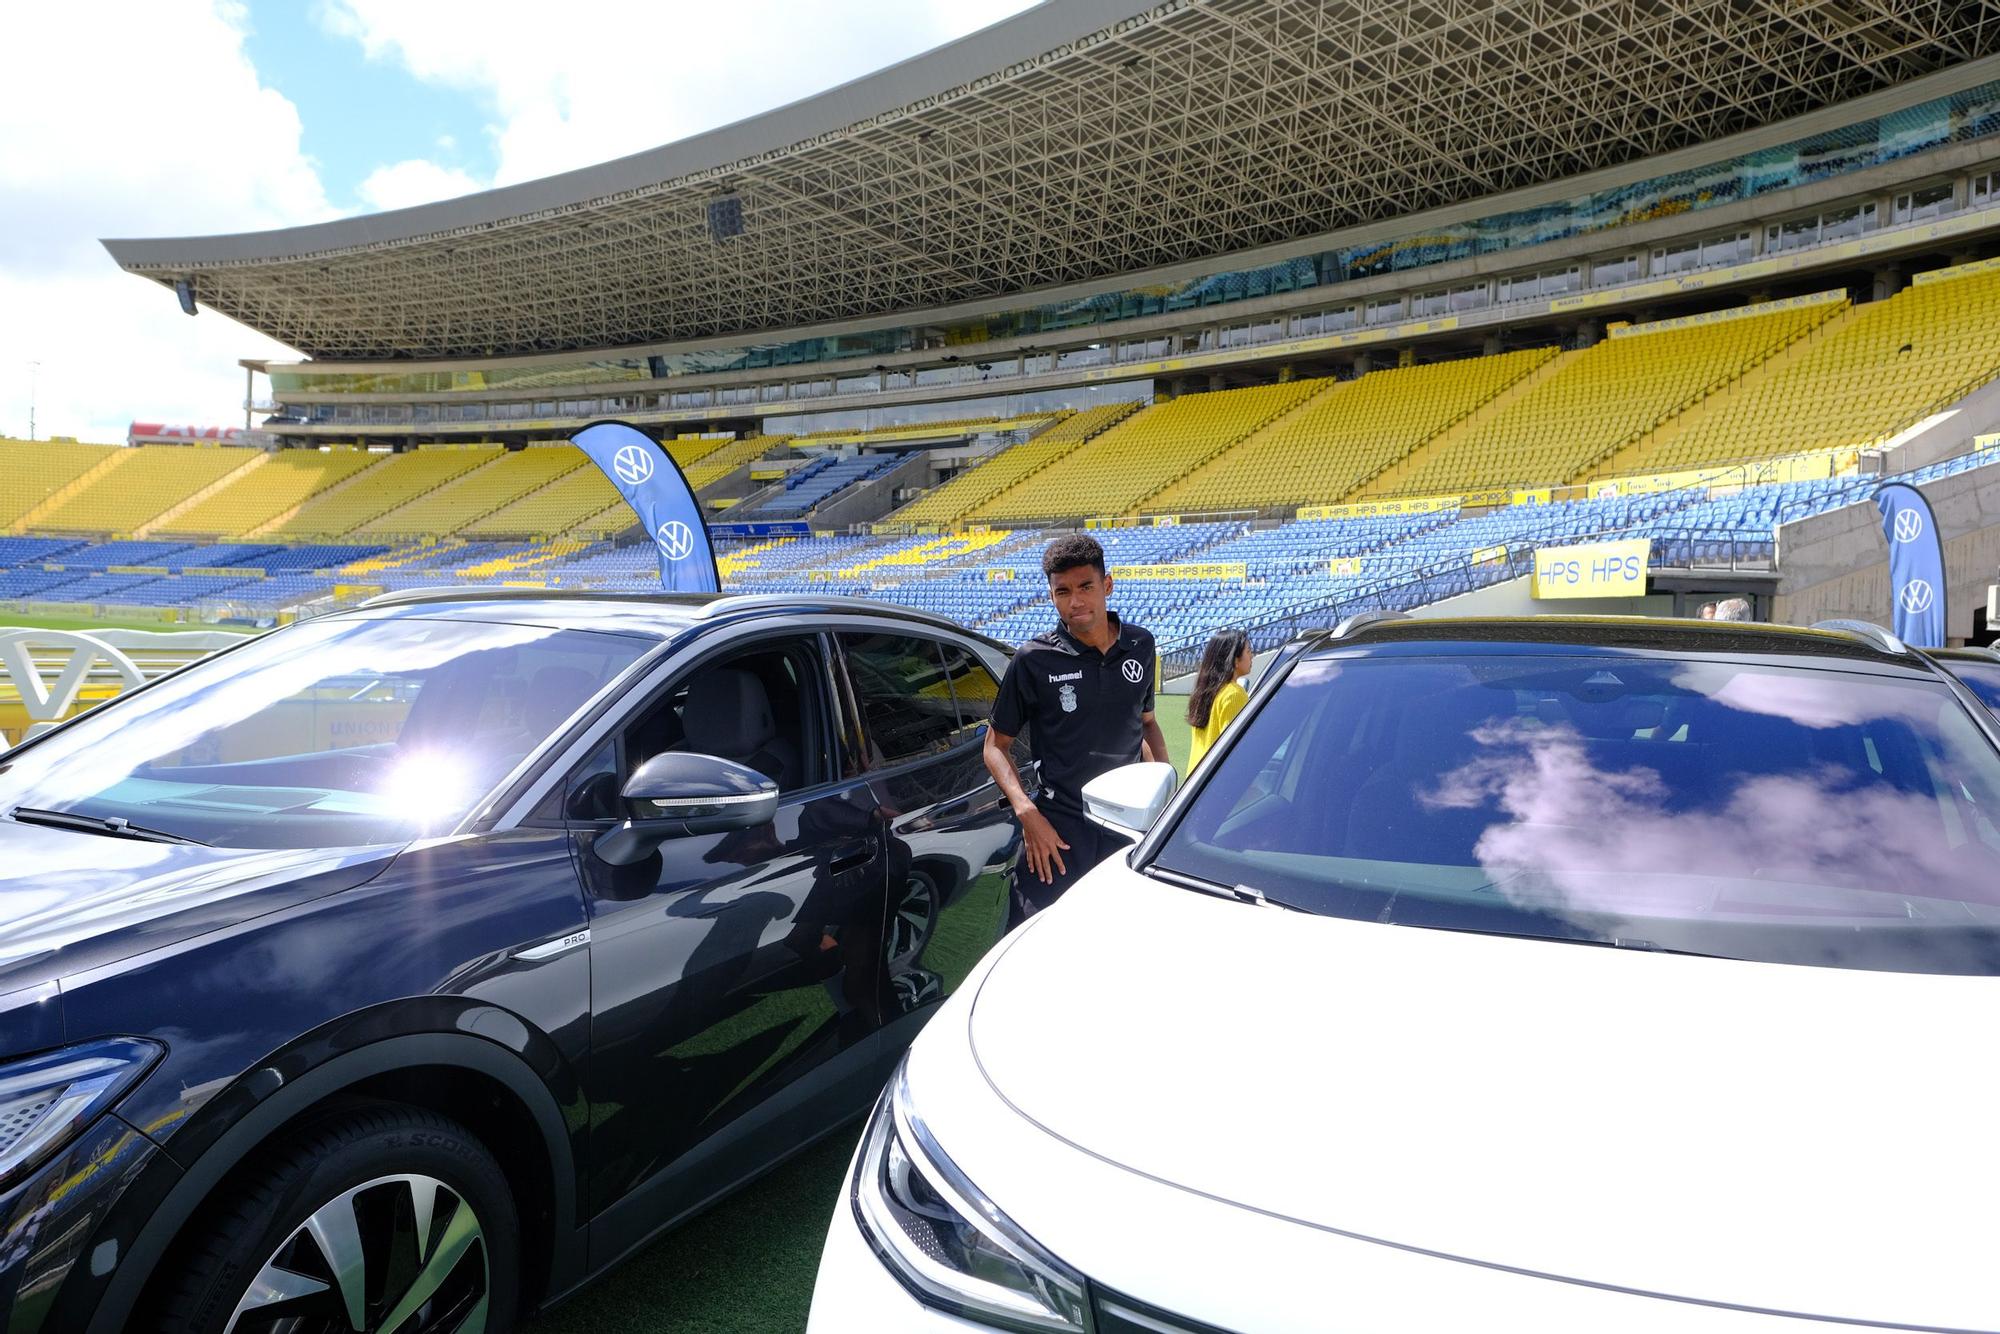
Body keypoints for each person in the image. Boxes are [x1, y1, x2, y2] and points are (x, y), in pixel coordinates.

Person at [983, 534, 1169, 923]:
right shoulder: (1034, 659)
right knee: (1033, 940)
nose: (1076, 601)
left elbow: (1147, 724)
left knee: (1120, 936)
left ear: (1107, 585)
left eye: (1086, 587)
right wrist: (1028, 814)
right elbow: (995, 747)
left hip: (1127, 827)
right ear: (1052, 596)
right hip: (1058, 828)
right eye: (1062, 591)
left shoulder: (1141, 645)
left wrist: (1164, 790)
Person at [1187, 629, 1252, 771]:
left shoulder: (1203, 691)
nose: (1252, 656)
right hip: (1216, 781)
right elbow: (1233, 750)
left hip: (1195, 779)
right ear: (1235, 660)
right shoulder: (1234, 694)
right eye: (1248, 651)